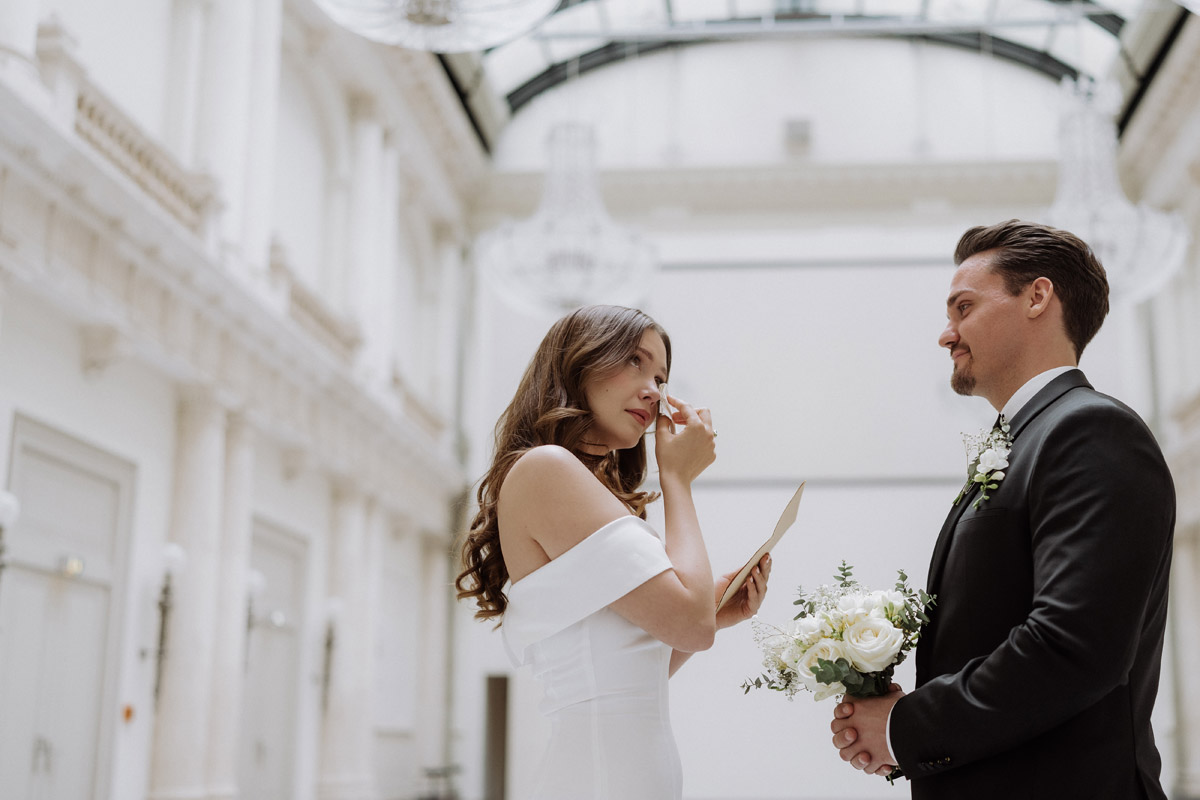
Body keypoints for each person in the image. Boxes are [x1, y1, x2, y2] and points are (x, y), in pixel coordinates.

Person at [830, 220, 1175, 799]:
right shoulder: (1026, 438)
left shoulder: (1090, 430)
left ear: (1037, 297)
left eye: (963, 308)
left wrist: (903, 726)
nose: (947, 334)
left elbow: (1071, 647)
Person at [456, 304, 771, 800]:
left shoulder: (579, 488)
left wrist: (709, 610)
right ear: (578, 362)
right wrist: (678, 480)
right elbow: (690, 628)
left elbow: (632, 671)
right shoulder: (547, 468)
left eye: (661, 376)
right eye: (634, 361)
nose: (653, 388)